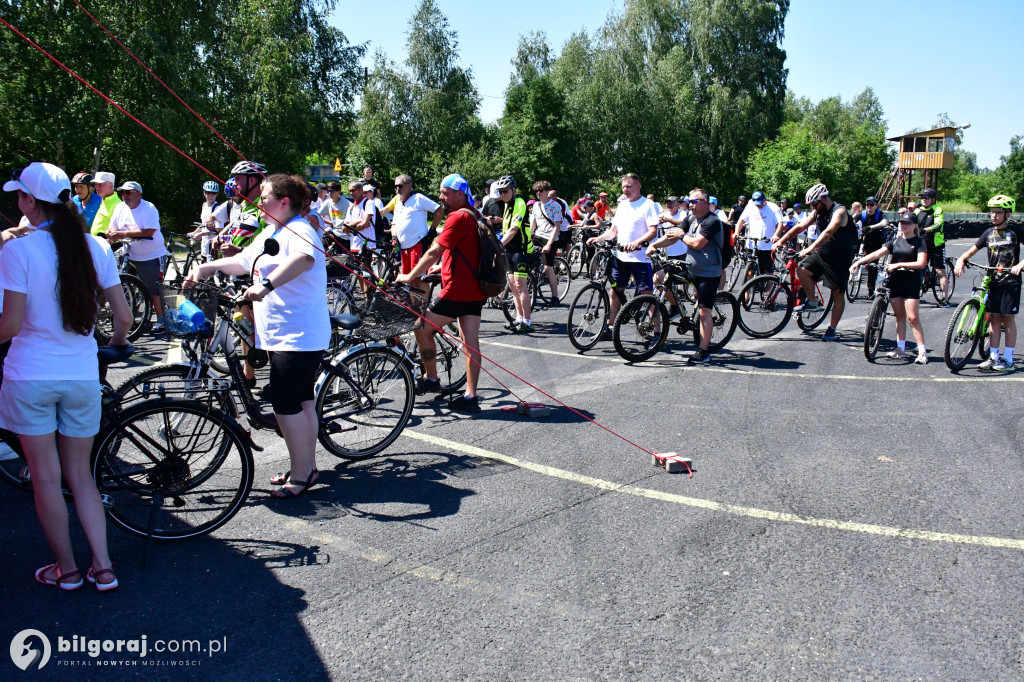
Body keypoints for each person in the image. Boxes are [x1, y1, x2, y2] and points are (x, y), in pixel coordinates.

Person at [0, 162, 132, 591]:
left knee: (46, 479)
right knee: (82, 476)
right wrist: (115, 339)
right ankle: (104, 566)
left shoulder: (17, 251)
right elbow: (124, 316)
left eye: (19, 196)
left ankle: (68, 570)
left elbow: (10, 326)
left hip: (31, 376)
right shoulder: (96, 247)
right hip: (80, 376)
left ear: (29, 203)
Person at [187, 174, 330, 495]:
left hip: (300, 334)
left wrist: (266, 285)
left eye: (264, 197)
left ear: (283, 202)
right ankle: (306, 468)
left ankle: (302, 473)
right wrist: (206, 268)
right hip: (286, 334)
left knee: (285, 405)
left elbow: (303, 258)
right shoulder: (273, 230)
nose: (257, 201)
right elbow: (242, 261)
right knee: (302, 402)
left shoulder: (301, 229)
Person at [396, 174, 486, 413]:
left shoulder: (458, 217)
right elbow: (463, 248)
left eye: (445, 192)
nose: (441, 196)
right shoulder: (475, 214)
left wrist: (409, 275)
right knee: (471, 343)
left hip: (457, 290)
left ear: (460, 193)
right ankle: (470, 396)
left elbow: (434, 250)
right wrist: (441, 266)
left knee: (422, 327)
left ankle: (432, 378)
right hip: (477, 289)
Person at [772, 183, 857, 341]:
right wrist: (781, 241)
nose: (812, 208)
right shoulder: (817, 212)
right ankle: (812, 301)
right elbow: (800, 227)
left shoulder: (839, 211)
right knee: (802, 270)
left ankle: (832, 328)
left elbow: (828, 231)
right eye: (811, 205)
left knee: (837, 293)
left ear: (824, 199)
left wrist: (809, 248)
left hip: (840, 257)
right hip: (824, 253)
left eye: (814, 204)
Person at [650, 188, 723, 364]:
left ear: (705, 202)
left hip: (709, 272)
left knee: (705, 312)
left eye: (694, 201)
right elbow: (672, 236)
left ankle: (704, 352)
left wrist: (681, 234)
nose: (690, 204)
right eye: (689, 201)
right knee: (659, 277)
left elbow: (697, 244)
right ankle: (675, 307)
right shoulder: (690, 218)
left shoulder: (712, 221)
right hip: (690, 267)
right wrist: (654, 246)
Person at [954, 195, 1024, 371]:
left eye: (998, 212)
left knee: (1007, 320)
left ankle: (1008, 359)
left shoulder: (1016, 231)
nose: (993, 215)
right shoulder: (988, 233)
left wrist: (1020, 265)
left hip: (1011, 281)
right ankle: (993, 357)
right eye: (991, 212)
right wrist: (961, 260)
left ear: (1007, 214)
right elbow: (972, 250)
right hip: (993, 280)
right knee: (993, 319)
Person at [850, 213, 928, 364]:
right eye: (902, 222)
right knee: (899, 316)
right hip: (895, 281)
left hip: (911, 281)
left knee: (912, 318)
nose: (903, 225)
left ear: (914, 226)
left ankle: (922, 351)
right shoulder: (896, 242)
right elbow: (877, 253)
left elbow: (921, 263)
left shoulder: (919, 241)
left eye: (907, 223)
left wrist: (898, 264)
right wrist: (859, 262)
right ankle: (900, 349)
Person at [587, 173, 659, 327]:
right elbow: (613, 231)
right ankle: (610, 326)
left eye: (629, 186)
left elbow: (653, 231)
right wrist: (598, 239)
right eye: (624, 186)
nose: (625, 190)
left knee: (648, 296)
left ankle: (657, 332)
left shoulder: (648, 205)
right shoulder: (622, 205)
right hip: (621, 257)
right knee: (615, 292)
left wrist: (637, 242)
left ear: (638, 185)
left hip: (640, 258)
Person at [106, 181, 168, 334]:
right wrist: (112, 233)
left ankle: (161, 320)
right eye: (122, 193)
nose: (124, 196)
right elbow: (112, 226)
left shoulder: (148, 208)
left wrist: (122, 234)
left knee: (154, 289)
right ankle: (129, 316)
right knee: (121, 284)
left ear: (138, 194)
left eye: (128, 192)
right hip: (130, 253)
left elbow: (149, 231)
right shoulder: (120, 207)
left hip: (151, 255)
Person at [384, 174, 443, 294]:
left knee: (419, 278)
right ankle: (414, 308)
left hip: (418, 243)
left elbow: (439, 209)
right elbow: (394, 223)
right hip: (404, 246)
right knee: (409, 278)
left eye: (400, 186)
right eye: (395, 186)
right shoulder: (398, 202)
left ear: (409, 185)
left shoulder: (418, 198)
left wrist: (432, 230)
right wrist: (394, 236)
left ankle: (424, 308)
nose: (397, 189)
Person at [494, 175, 533, 332]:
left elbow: (514, 228)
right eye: (500, 192)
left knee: (520, 285)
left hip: (521, 251)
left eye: (505, 191)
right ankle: (519, 318)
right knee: (512, 286)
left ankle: (527, 322)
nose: (503, 194)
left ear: (513, 190)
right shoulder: (507, 206)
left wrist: (499, 244)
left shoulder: (519, 203)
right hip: (510, 250)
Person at [530, 181, 569, 300]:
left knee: (548, 267)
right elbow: (533, 223)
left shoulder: (555, 205)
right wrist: (528, 237)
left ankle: (555, 296)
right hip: (538, 235)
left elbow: (557, 227)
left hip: (550, 237)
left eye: (541, 191)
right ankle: (531, 282)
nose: (538, 193)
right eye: (537, 191)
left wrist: (549, 244)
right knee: (527, 260)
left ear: (547, 191)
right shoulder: (536, 205)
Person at [220, 160, 267, 257]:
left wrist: (239, 250)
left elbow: (269, 248)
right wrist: (221, 239)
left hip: (251, 271)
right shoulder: (244, 206)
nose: (233, 183)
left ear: (252, 180)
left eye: (238, 179)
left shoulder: (263, 208)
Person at [915, 188, 949, 305]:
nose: (923, 199)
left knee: (940, 271)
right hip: (921, 243)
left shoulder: (937, 209)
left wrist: (928, 229)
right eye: (922, 197)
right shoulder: (918, 210)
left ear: (933, 199)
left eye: (926, 197)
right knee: (917, 267)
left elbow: (939, 223)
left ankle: (945, 298)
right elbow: (911, 220)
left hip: (936, 244)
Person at [736, 190, 781, 276]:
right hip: (751, 244)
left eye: (760, 203)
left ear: (765, 199)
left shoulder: (773, 207)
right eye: (756, 203)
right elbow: (740, 221)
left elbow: (780, 223)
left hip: (767, 245)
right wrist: (736, 232)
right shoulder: (750, 207)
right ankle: (747, 289)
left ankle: (769, 289)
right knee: (749, 271)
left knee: (768, 272)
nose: (758, 205)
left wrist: (776, 235)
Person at [860, 196, 889, 297]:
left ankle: (871, 291)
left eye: (871, 205)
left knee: (872, 266)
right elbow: (853, 219)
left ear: (876, 206)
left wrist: (870, 227)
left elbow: (884, 223)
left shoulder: (880, 214)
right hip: (863, 240)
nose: (869, 207)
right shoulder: (863, 214)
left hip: (875, 242)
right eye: (867, 204)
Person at [88, 171, 121, 237]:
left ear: (111, 185)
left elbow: (120, 229)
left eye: (100, 184)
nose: (97, 187)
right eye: (96, 184)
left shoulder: (118, 204)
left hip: (110, 245)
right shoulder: (102, 199)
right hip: (99, 243)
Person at [198, 180, 220, 262]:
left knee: (210, 270)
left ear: (217, 194)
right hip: (204, 242)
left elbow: (217, 230)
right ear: (204, 193)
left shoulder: (217, 208)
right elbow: (203, 224)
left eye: (213, 194)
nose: (210, 196)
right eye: (208, 193)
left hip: (212, 243)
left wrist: (200, 234)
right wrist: (194, 232)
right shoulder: (204, 206)